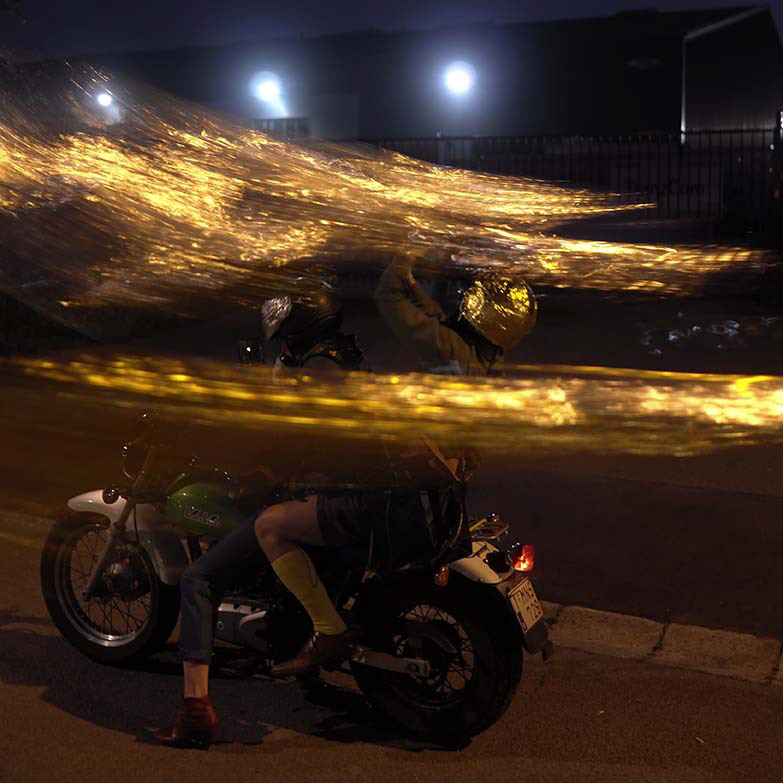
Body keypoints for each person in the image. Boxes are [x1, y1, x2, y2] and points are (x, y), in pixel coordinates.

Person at [153, 281, 365, 749]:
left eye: (286, 334)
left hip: (328, 496)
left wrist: (252, 453)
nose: (282, 343)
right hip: (350, 491)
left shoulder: (318, 372)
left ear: (302, 326)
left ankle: (194, 712)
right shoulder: (342, 358)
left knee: (199, 579)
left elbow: (289, 435)